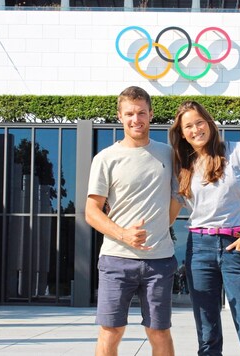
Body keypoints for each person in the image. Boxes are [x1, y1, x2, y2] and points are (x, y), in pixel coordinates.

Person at [169, 100, 240, 356]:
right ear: (182, 133)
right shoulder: (183, 166)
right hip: (199, 249)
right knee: (207, 335)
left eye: (199, 122)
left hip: (236, 244)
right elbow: (169, 215)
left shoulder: (239, 151)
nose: (195, 130)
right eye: (188, 126)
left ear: (209, 122)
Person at [85, 86, 177, 356]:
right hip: (116, 258)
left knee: (159, 332)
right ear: (119, 116)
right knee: (110, 331)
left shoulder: (169, 154)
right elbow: (92, 211)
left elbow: (182, 194)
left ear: (151, 115)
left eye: (141, 113)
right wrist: (124, 234)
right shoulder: (105, 159)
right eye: (129, 114)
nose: (135, 119)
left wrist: (161, 227)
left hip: (159, 260)